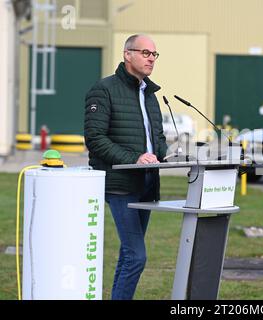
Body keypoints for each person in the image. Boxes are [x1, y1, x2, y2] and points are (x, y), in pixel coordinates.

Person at [84, 34, 168, 300]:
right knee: (136, 256)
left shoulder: (151, 95)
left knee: (128, 254)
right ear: (127, 54)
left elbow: (158, 138)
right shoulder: (104, 89)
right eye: (145, 53)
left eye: (154, 54)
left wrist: (166, 154)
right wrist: (135, 158)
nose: (151, 59)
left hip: (146, 184)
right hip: (120, 184)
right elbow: (95, 140)